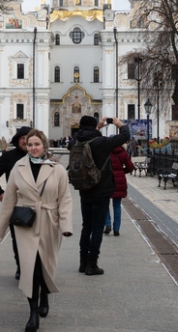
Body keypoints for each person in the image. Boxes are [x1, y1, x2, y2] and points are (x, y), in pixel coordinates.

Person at [0, 129, 72, 332]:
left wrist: (65, 225)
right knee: (30, 267)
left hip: (49, 221)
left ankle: (45, 293)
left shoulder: (57, 169)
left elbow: (65, 199)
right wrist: (0, 228)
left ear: (44, 146)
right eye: (30, 145)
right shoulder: (18, 168)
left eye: (37, 144)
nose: (33, 148)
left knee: (46, 264)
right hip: (26, 223)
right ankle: (33, 312)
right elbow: (10, 198)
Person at [68, 115, 129, 276]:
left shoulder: (75, 141)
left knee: (86, 226)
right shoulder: (101, 143)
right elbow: (125, 136)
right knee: (97, 227)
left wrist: (97, 127)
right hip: (101, 190)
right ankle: (92, 264)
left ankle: (82, 262)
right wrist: (120, 125)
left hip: (84, 188)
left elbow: (79, 136)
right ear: (95, 126)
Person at [0, 126, 32, 279]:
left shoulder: (41, 156)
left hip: (40, 206)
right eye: (22, 138)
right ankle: (22, 267)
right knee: (19, 239)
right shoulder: (9, 157)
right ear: (18, 140)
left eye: (29, 138)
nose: (25, 141)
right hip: (18, 205)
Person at [105, 141, 134, 236]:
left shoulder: (106, 152)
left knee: (105, 204)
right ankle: (116, 229)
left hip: (107, 180)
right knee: (117, 205)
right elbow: (130, 167)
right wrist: (122, 171)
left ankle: (107, 224)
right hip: (119, 181)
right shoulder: (123, 153)